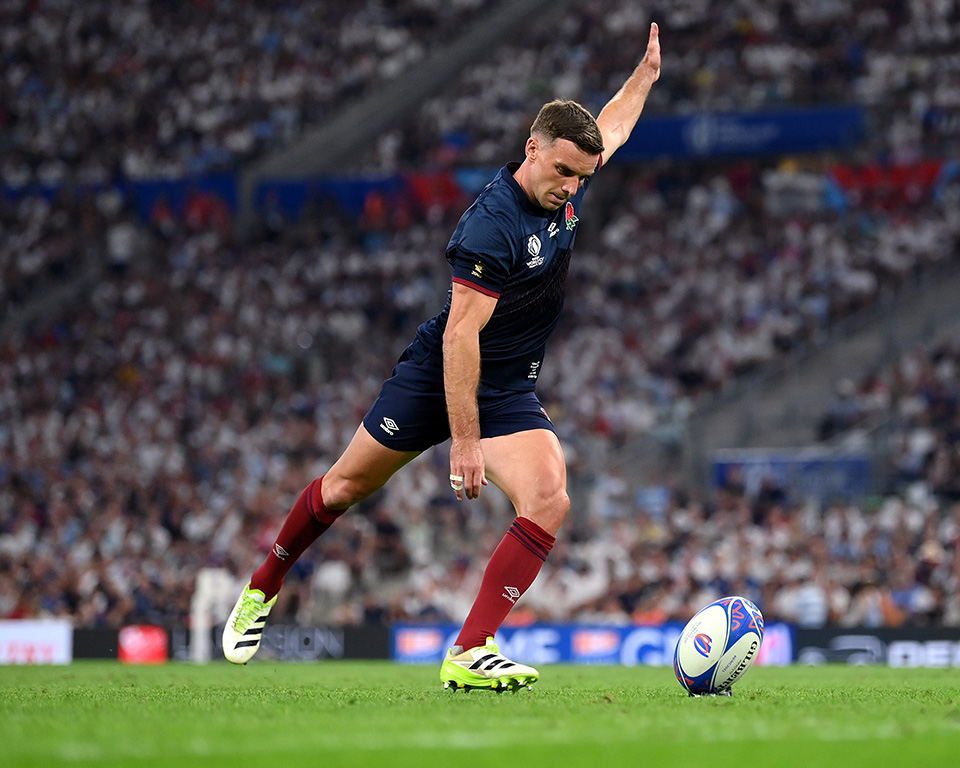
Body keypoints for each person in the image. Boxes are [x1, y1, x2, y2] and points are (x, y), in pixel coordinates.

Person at [223, 23, 662, 690]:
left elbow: (615, 125)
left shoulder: (568, 174)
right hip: (442, 375)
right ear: (531, 149)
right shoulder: (492, 225)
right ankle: (262, 586)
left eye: (581, 174)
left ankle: (470, 649)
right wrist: (464, 445)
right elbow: (461, 339)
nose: (573, 186)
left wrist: (644, 79)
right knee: (346, 488)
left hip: (509, 386)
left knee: (549, 497)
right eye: (563, 171)